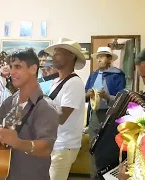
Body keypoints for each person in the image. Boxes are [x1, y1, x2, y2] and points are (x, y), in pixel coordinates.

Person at [0, 48, 60, 180]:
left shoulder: (45, 107)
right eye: (11, 67)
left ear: (33, 69)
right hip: (1, 173)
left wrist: (18, 143)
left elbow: (46, 147)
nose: (12, 72)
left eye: (18, 66)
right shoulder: (10, 101)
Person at [44, 38, 86, 180]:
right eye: (54, 53)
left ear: (71, 56)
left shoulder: (74, 83)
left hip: (64, 145)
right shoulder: (56, 82)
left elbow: (61, 117)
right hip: (54, 143)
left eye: (59, 52)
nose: (53, 56)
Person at [85, 46, 126, 179]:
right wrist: (88, 94)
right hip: (95, 115)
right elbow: (85, 94)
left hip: (111, 116)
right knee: (92, 147)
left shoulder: (118, 75)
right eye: (98, 57)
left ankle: (107, 176)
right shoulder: (93, 75)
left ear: (109, 59)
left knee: (109, 147)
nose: (99, 59)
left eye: (102, 56)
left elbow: (122, 97)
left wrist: (107, 97)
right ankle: (94, 176)